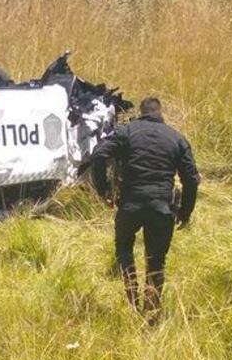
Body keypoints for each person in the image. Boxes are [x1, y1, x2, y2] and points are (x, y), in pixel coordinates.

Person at [84, 97, 200, 321]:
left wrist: (104, 191)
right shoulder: (177, 138)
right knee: (156, 260)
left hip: (130, 204)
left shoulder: (127, 132)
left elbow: (99, 155)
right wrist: (185, 212)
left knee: (124, 250)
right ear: (160, 114)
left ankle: (131, 299)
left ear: (141, 112)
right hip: (161, 206)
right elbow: (192, 180)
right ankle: (152, 312)